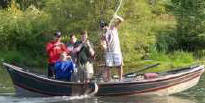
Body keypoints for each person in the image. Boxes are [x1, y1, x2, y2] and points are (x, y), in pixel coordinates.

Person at [100, 15, 124, 81]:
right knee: (108, 66)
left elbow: (121, 20)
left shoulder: (113, 28)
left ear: (107, 26)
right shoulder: (103, 35)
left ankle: (120, 79)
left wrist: (117, 17)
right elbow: (103, 44)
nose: (103, 28)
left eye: (104, 26)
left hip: (116, 50)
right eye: (102, 27)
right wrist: (104, 47)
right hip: (109, 52)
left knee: (119, 65)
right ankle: (109, 80)